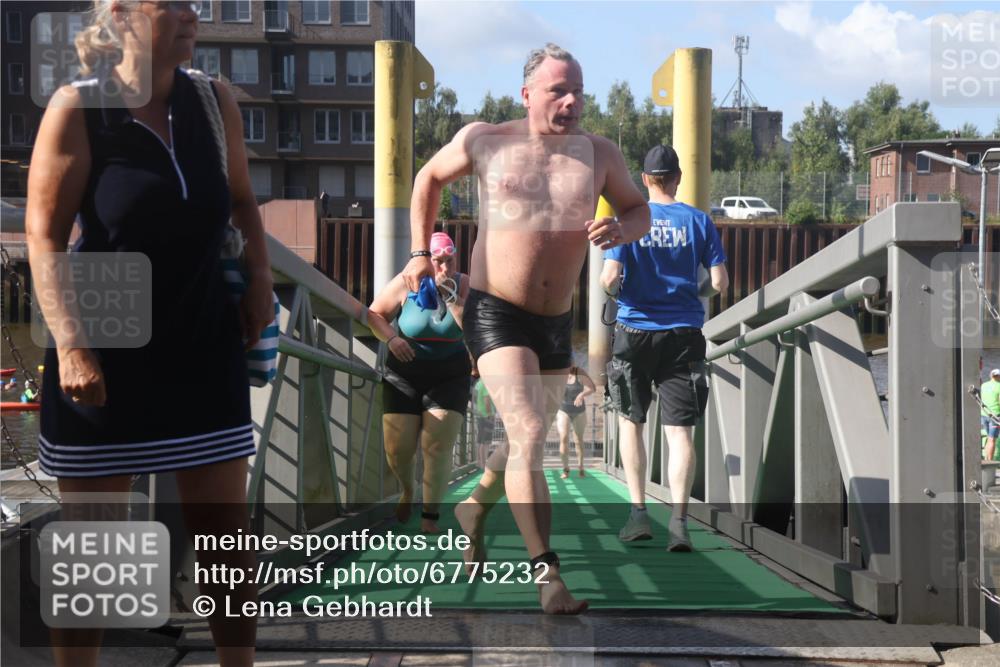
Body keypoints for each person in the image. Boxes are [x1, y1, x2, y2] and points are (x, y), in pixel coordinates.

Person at [25, 2, 273, 664]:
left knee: (225, 533)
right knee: (98, 545)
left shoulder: (214, 100)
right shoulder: (78, 109)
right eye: (174, 4)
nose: (194, 14)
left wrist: (259, 278)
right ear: (122, 16)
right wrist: (73, 343)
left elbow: (243, 199)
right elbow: (43, 235)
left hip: (201, 332)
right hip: (106, 336)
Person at [401, 43, 650, 614]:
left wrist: (621, 229)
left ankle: (475, 506)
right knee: (532, 433)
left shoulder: (599, 154)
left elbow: (642, 211)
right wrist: (419, 250)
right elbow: (427, 179)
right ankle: (548, 578)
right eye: (559, 90)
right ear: (528, 94)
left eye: (579, 91)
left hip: (556, 321)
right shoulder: (487, 139)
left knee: (521, 437)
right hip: (495, 311)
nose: (571, 102)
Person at [601, 144, 728, 552]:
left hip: (634, 332)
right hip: (683, 334)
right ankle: (678, 523)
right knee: (680, 433)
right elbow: (720, 283)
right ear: (677, 178)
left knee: (630, 422)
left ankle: (638, 515)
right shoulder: (698, 221)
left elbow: (608, 278)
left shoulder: (629, 220)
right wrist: (692, 292)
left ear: (644, 180)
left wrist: (625, 293)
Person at [368, 232, 471, 533]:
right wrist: (392, 338)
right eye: (437, 262)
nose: (443, 268)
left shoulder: (464, 285)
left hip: (450, 372)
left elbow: (474, 329)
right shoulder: (406, 281)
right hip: (405, 370)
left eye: (449, 261)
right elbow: (374, 314)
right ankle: (408, 489)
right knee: (397, 449)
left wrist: (450, 295)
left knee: (437, 446)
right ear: (425, 260)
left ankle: (431, 515)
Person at [556, 365, 595, 479]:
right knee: (563, 437)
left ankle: (581, 466)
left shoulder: (579, 372)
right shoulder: (557, 373)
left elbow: (592, 388)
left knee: (578, 440)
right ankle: (565, 469)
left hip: (579, 412)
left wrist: (582, 394)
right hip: (563, 411)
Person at [471, 367, 496, 469]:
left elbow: (475, 400)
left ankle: (479, 462)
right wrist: (490, 414)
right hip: (487, 416)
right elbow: (487, 401)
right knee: (486, 442)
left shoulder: (478, 384)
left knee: (480, 440)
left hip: (479, 414)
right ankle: (484, 464)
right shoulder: (486, 385)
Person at [981, 369, 1000, 462]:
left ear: (991, 375)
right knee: (992, 439)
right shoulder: (999, 386)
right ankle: (990, 462)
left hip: (984, 414)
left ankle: (985, 460)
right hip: (995, 416)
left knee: (988, 438)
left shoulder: (983, 385)